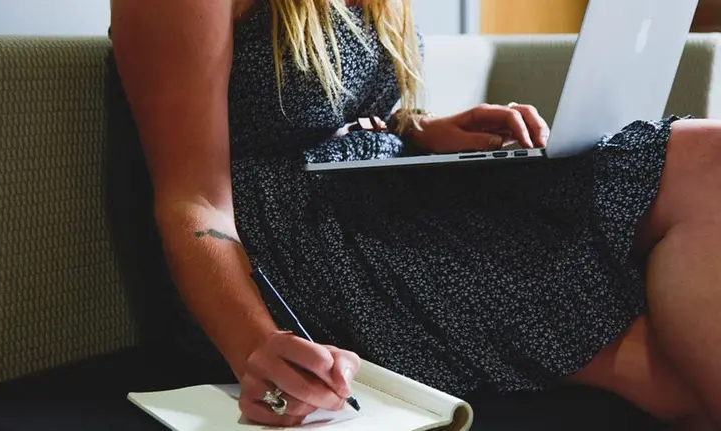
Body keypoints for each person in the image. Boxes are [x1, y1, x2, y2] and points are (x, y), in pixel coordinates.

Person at [107, 0, 721, 429]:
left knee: (708, 154)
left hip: (379, 194)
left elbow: (329, 107)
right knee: (670, 375)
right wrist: (256, 347)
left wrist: (421, 132)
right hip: (296, 247)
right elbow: (193, 200)